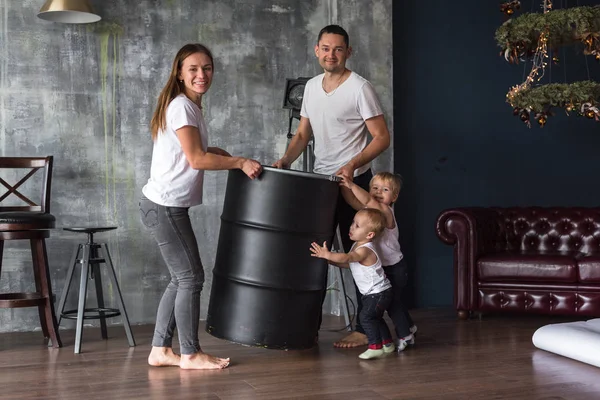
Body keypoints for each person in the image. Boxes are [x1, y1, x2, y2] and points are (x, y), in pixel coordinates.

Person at [139, 43, 262, 370]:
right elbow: (196, 158)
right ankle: (190, 353)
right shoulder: (181, 107)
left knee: (181, 278)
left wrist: (230, 157)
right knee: (191, 278)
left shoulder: (189, 107)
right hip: (164, 207)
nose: (201, 74)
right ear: (179, 73)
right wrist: (238, 162)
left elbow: (195, 149)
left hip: (163, 205)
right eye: (193, 69)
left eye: (206, 68)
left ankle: (160, 350)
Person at [272, 25, 391, 347]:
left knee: (361, 253)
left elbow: (382, 137)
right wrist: (285, 161)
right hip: (320, 184)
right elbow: (302, 135)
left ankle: (366, 328)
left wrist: (352, 165)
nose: (331, 54)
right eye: (326, 48)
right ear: (316, 50)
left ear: (348, 52)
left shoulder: (360, 88)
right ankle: (305, 325)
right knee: (316, 255)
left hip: (353, 182)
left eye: (338, 49)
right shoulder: (310, 87)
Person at [340, 172, 417, 351]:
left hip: (395, 268)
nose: (378, 192)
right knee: (393, 302)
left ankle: (406, 336)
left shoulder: (386, 211)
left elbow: (368, 201)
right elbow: (358, 204)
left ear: (394, 197)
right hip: (385, 267)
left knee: (393, 303)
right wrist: (344, 188)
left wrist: (351, 184)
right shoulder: (372, 213)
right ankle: (409, 327)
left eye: (385, 189)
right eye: (374, 188)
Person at [310, 208, 395, 359]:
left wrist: (327, 254)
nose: (351, 227)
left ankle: (375, 346)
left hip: (378, 293)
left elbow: (349, 258)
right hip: (375, 292)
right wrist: (331, 261)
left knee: (366, 318)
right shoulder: (357, 246)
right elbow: (350, 264)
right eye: (352, 223)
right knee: (376, 318)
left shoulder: (365, 250)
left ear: (369, 235)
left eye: (357, 226)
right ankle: (388, 344)